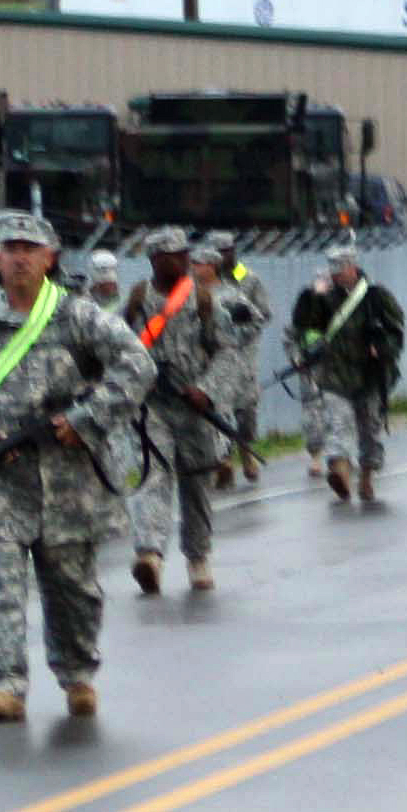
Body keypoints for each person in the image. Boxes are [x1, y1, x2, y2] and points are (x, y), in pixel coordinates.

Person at [0, 207, 154, 721]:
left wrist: (89, 418)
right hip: (4, 482)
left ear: (50, 258)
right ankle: (3, 686)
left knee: (73, 590)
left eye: (30, 250)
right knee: (1, 583)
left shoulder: (77, 316)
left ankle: (77, 673)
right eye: (11, 249)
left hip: (71, 480)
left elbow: (138, 366)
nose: (20, 259)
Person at [124, 226, 234, 596]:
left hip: (195, 409)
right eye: (173, 255)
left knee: (196, 483)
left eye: (184, 254)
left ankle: (198, 556)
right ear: (155, 259)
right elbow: (120, 348)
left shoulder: (204, 301)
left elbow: (225, 352)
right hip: (152, 406)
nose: (183, 260)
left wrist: (206, 390)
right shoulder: (138, 300)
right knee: (153, 476)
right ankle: (149, 554)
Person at [292, 241, 406, 506]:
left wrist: (382, 348)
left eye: (340, 267)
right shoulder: (325, 298)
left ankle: (366, 474)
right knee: (338, 424)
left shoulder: (376, 297)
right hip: (335, 375)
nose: (335, 273)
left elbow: (396, 330)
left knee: (369, 429)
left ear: (352, 266)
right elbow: (303, 325)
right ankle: (340, 471)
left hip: (369, 375)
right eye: (331, 268)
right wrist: (313, 296)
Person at [204, 234, 270, 485]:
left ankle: (246, 451)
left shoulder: (246, 277)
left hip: (245, 355)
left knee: (247, 409)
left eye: (226, 251)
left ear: (233, 251)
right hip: (218, 356)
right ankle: (223, 458)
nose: (222, 257)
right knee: (220, 407)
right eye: (217, 252)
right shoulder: (205, 283)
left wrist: (239, 325)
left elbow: (263, 313)